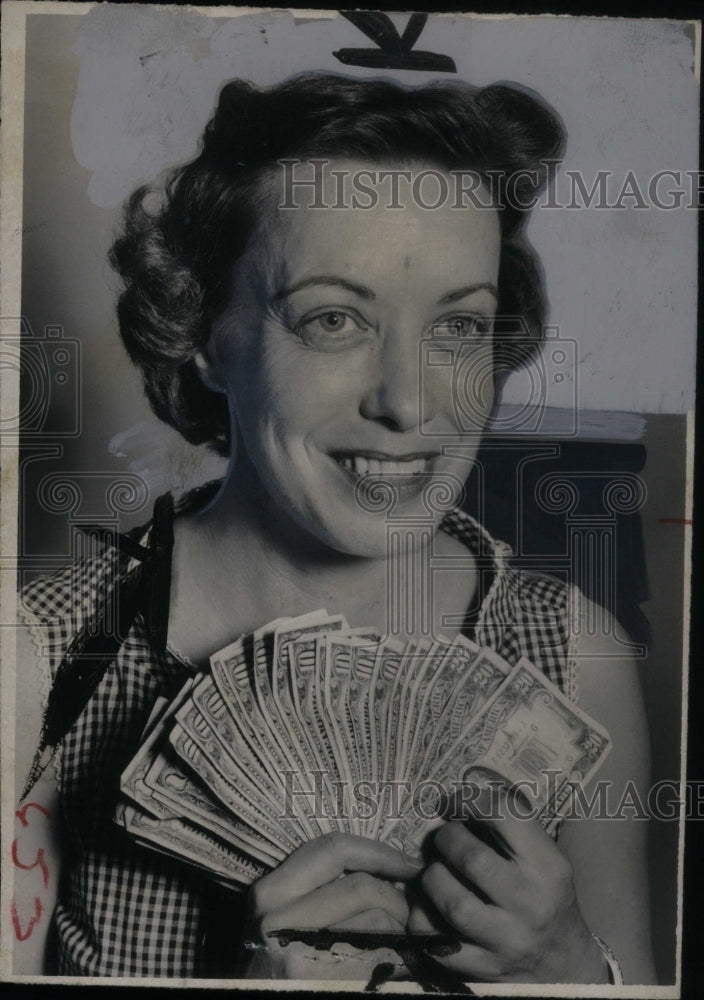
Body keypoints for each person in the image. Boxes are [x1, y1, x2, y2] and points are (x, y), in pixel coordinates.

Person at [15, 73, 654, 984]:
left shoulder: (576, 654)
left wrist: (562, 967)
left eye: (459, 325)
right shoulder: (39, 659)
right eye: (332, 318)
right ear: (204, 329)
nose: (407, 401)